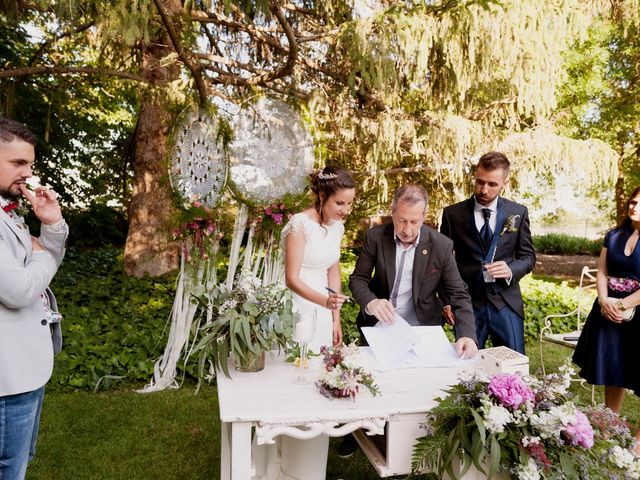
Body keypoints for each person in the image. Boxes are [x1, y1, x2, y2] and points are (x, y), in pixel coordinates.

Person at [253, 165, 355, 480]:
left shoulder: (336, 226)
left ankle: (308, 463)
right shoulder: (299, 226)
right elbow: (292, 278)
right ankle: (281, 456)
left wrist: (335, 314)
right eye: (340, 203)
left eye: (349, 203)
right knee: (293, 375)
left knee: (318, 378)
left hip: (324, 310)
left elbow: (333, 270)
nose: (345, 210)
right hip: (298, 307)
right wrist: (322, 302)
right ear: (322, 196)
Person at [0, 117, 68, 479]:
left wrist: (52, 224)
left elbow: (40, 260)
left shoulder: (5, 211)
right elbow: (21, 289)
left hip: (25, 370)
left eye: (29, 163)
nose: (27, 173)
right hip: (5, 376)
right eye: (18, 163)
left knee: (19, 462)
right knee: (8, 468)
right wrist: (41, 255)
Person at [350, 183, 478, 355]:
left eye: (414, 222)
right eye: (402, 221)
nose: (407, 230)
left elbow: (458, 293)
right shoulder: (375, 237)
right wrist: (371, 302)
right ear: (393, 212)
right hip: (379, 326)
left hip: (423, 328)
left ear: (424, 216)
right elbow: (358, 279)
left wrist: (467, 335)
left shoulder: (441, 245)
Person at [440, 151, 535, 354]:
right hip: (468, 304)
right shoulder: (452, 214)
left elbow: (528, 258)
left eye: (492, 184)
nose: (484, 190)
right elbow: (443, 262)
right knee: (467, 367)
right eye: (480, 182)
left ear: (505, 183)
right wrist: (447, 301)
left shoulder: (517, 212)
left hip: (506, 302)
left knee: (513, 365)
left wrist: (510, 269)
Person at [573, 186, 640, 454]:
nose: (634, 206)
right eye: (633, 201)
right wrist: (604, 302)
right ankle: (609, 426)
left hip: (636, 311)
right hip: (607, 311)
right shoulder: (613, 236)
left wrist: (623, 304)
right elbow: (602, 272)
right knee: (614, 370)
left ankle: (638, 443)